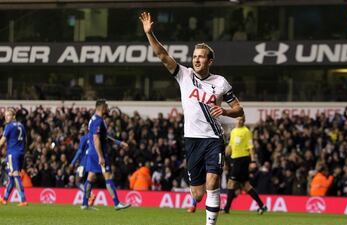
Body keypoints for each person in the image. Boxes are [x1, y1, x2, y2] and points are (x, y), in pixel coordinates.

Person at [139, 12, 244, 225]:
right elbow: (162, 54)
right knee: (197, 195)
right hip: (192, 140)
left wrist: (224, 112)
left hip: (214, 139)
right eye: (195, 56)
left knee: (213, 181)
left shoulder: (221, 83)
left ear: (210, 61)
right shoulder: (184, 75)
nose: (196, 59)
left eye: (201, 56)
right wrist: (150, 34)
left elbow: (239, 109)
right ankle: (202, 197)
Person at [81, 99, 130, 210]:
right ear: (102, 108)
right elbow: (96, 138)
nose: (108, 109)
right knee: (108, 176)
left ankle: (84, 204)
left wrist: (118, 142)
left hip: (92, 152)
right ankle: (117, 203)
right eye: (107, 107)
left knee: (91, 176)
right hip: (98, 153)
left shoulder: (93, 119)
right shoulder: (98, 121)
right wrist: (101, 156)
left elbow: (103, 136)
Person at [222, 116, 266, 214]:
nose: (240, 121)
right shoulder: (233, 131)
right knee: (246, 185)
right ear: (235, 120)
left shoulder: (246, 132)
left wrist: (253, 161)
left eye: (242, 119)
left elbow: (251, 147)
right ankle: (262, 206)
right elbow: (230, 146)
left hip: (242, 160)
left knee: (231, 183)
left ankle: (226, 209)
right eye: (238, 119)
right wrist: (225, 154)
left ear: (244, 121)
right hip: (235, 159)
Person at [0, 109, 28, 206]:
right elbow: (26, 140)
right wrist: (23, 151)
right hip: (21, 153)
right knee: (12, 176)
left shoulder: (9, 126)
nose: (6, 117)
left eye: (8, 115)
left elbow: (2, 141)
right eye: (5, 115)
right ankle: (5, 199)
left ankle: (23, 200)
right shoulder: (21, 125)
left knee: (15, 175)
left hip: (13, 153)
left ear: (13, 116)